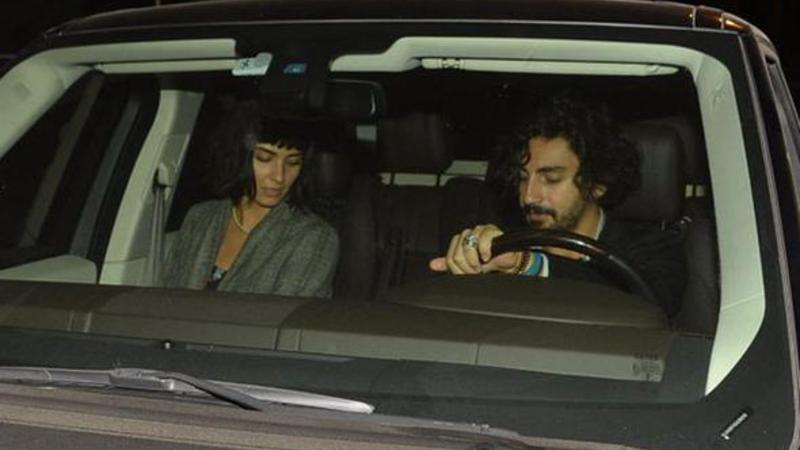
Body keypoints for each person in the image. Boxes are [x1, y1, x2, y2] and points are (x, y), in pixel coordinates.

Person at [429, 95, 686, 316]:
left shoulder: (653, 246)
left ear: (597, 184)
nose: (529, 197)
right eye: (522, 178)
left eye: (551, 179)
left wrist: (529, 265)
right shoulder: (503, 241)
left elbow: (648, 302)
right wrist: (466, 265)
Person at [162, 102, 340, 298]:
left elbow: (284, 314)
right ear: (238, 156)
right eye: (264, 158)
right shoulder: (200, 218)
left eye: (293, 162)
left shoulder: (313, 238)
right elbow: (167, 298)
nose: (279, 176)